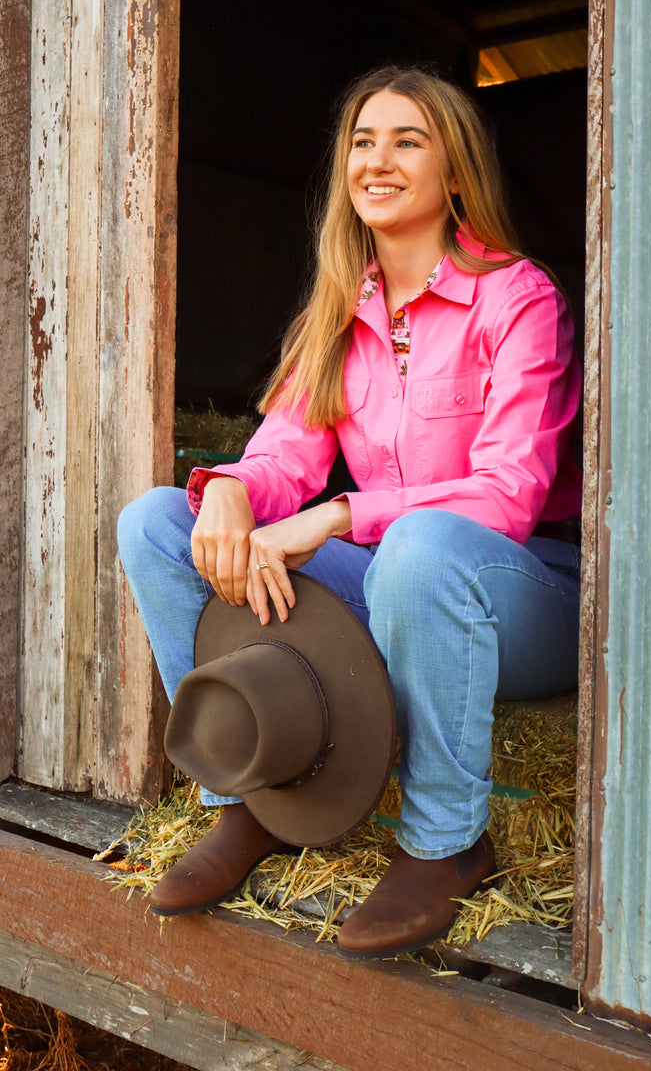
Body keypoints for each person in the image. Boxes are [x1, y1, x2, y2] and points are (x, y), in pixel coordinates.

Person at [117, 64, 583, 958]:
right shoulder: (339, 309)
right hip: (394, 581)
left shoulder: (517, 298)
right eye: (362, 142)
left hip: (518, 593)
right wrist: (234, 493)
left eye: (408, 140)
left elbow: (509, 494)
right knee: (154, 526)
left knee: (415, 546)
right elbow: (286, 448)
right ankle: (247, 792)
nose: (378, 159)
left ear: (455, 173)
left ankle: (447, 844)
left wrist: (335, 517)